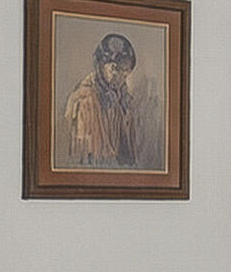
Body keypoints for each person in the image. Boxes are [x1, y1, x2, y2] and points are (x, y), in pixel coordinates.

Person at [58, 31, 161, 171]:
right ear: (101, 65)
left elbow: (128, 152)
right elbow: (89, 158)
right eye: (116, 69)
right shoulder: (84, 100)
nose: (121, 76)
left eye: (126, 72)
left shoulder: (121, 95)